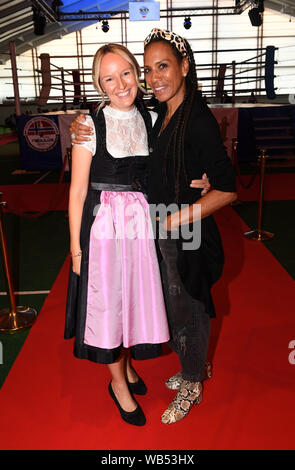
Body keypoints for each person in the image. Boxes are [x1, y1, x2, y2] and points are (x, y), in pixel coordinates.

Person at [69, 30, 235, 426]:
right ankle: (130, 379)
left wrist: (203, 186)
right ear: (99, 84)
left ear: (183, 67)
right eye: (110, 78)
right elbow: (77, 193)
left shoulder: (172, 116)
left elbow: (213, 176)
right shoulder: (116, 122)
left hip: (165, 227)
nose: (126, 83)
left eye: (129, 73)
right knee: (134, 304)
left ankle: (187, 377)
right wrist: (77, 251)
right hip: (125, 231)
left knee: (175, 301)